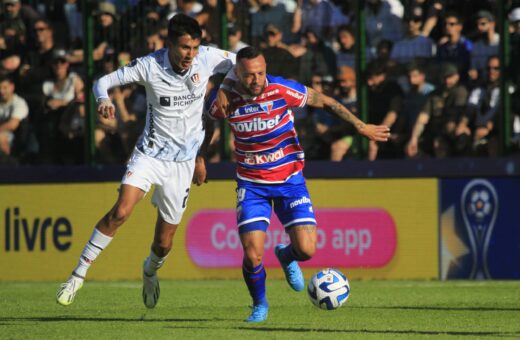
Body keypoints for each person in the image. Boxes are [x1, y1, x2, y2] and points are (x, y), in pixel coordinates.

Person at [56, 14, 235, 308]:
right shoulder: (150, 65)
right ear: (169, 44)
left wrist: (225, 91)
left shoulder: (209, 58)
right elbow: (102, 82)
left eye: (194, 47)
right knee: (121, 212)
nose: (190, 54)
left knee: (164, 244)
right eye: (184, 47)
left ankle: (150, 270)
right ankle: (77, 275)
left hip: (183, 164)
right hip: (149, 155)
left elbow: (244, 61)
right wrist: (103, 99)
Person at [206, 47, 390, 322]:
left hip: (290, 180)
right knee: (253, 254)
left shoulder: (281, 89)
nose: (256, 80)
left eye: (260, 73)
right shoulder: (225, 98)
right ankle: (260, 305)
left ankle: (286, 254)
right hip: (252, 183)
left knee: (306, 250)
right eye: (249, 76)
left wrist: (360, 126)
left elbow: (325, 101)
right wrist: (198, 157)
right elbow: (207, 124)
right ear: (237, 74)